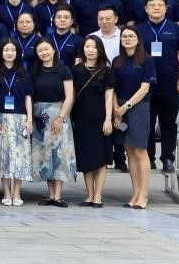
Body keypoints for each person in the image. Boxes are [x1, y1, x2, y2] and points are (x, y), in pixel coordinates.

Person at [139, 0, 179, 173]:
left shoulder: (176, 29)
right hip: (145, 85)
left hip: (170, 83)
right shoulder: (139, 29)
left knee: (168, 123)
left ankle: (168, 158)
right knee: (147, 123)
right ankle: (148, 158)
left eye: (160, 5)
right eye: (152, 5)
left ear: (166, 8)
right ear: (146, 9)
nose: (156, 8)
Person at [113, 26, 158, 209]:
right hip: (120, 108)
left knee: (140, 150)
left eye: (131, 36)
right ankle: (135, 193)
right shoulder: (117, 61)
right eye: (124, 36)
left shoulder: (147, 60)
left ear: (138, 39)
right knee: (129, 151)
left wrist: (125, 107)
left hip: (138, 107)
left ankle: (143, 194)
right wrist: (116, 109)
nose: (127, 39)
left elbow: (144, 88)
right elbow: (113, 88)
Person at [70, 35, 115, 208]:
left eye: (94, 47)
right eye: (87, 46)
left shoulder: (107, 71)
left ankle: (98, 196)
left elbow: (109, 96)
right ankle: (89, 195)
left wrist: (108, 118)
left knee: (101, 159)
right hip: (81, 120)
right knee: (86, 158)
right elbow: (72, 95)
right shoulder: (76, 70)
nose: (90, 50)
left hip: (100, 119)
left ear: (100, 50)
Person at [29, 39, 76, 207]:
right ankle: (50, 195)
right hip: (39, 115)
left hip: (59, 113)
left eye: (47, 49)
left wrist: (61, 117)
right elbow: (30, 96)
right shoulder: (34, 71)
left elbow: (69, 96)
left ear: (54, 50)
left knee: (59, 154)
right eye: (40, 50)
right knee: (45, 154)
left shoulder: (64, 70)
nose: (44, 53)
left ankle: (58, 195)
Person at [0, 40, 33, 206]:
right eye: (6, 50)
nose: (9, 53)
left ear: (17, 53)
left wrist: (29, 119)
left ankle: (17, 192)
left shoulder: (24, 73)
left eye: (13, 50)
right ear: (1, 52)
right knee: (4, 156)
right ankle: (6, 192)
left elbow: (28, 97)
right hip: (1, 118)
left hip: (20, 118)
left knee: (19, 157)